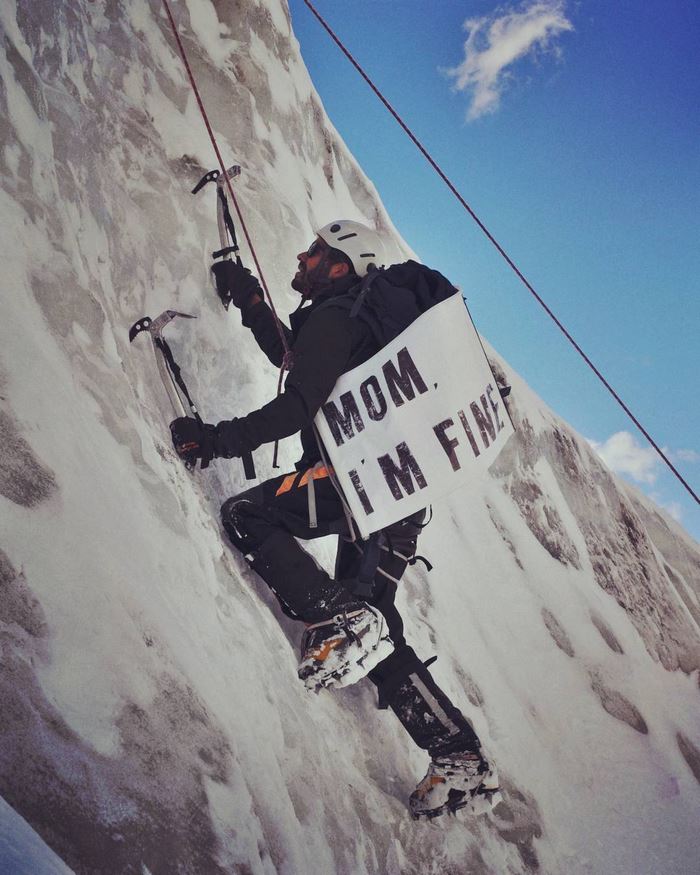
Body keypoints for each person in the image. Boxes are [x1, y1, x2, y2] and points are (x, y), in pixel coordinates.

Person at [170, 220, 498, 819]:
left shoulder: (336, 316)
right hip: (398, 499)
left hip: (352, 484)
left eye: (317, 251)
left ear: (342, 265)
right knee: (375, 627)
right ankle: (459, 755)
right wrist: (249, 300)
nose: (304, 254)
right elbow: (302, 362)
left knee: (247, 515)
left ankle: (343, 618)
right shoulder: (356, 323)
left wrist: (214, 441)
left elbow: (300, 403)